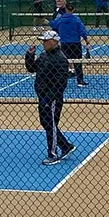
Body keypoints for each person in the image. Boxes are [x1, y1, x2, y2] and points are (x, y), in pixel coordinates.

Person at [25, 30, 76, 165]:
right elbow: (31, 68)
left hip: (52, 98)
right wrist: (30, 55)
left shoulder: (60, 59)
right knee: (46, 123)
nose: (43, 43)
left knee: (51, 125)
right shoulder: (44, 55)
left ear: (53, 41)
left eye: (45, 41)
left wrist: (49, 98)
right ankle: (66, 146)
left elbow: (61, 83)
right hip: (43, 96)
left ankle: (52, 154)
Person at [50, 3, 90, 87]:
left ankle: (61, 80)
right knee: (78, 62)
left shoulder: (60, 19)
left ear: (66, 9)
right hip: (75, 43)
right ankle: (80, 80)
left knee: (63, 62)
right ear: (73, 9)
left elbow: (53, 25)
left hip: (64, 43)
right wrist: (86, 41)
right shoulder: (76, 19)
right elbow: (82, 31)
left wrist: (55, 15)